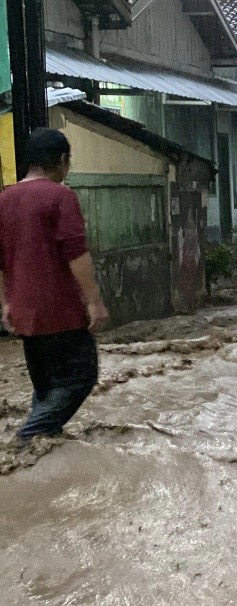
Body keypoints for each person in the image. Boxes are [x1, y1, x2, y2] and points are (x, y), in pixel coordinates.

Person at [0, 128, 109, 443]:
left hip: (24, 312)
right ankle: (29, 437)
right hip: (59, 310)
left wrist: (6, 303)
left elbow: (2, 259)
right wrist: (94, 302)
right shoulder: (61, 196)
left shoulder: (4, 199)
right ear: (62, 160)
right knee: (81, 376)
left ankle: (43, 450)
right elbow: (75, 252)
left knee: (46, 386)